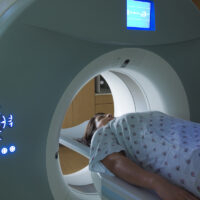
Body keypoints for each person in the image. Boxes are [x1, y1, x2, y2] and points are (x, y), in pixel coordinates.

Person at [79, 111, 200, 200]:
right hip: (189, 155)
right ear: (94, 132)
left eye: (106, 114)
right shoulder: (102, 133)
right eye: (101, 118)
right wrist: (157, 183)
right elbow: (114, 162)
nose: (109, 115)